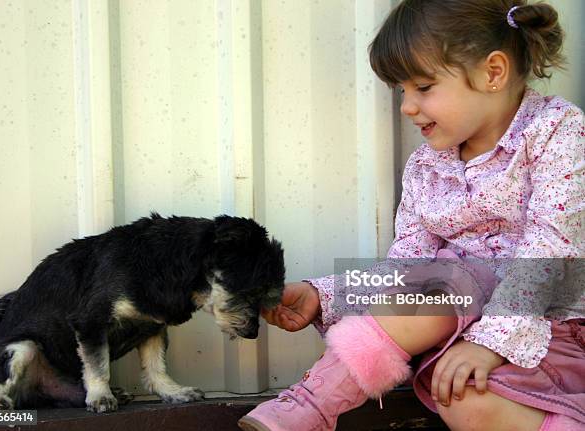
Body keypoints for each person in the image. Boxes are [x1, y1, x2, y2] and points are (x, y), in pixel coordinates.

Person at [238, 0, 584, 430]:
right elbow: (406, 269)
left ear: (493, 72)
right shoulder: (426, 168)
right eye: (402, 90)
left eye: (423, 86)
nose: (406, 106)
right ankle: (311, 405)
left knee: (451, 279)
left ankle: (315, 405)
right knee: (458, 394)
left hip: (551, 330)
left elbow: (552, 246)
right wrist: (324, 294)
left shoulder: (556, 129)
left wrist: (493, 343)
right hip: (467, 334)